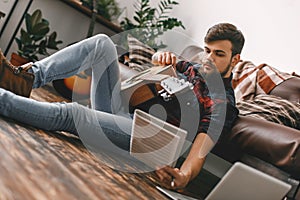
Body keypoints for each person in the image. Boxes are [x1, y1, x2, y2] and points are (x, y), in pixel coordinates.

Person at [0, 22, 244, 190]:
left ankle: (3, 100)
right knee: (101, 43)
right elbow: (159, 61)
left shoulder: (223, 102)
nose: (209, 58)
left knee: (73, 114)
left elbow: (201, 147)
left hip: (147, 140)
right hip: (125, 112)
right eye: (207, 50)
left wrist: (185, 175)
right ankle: (27, 78)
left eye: (219, 54)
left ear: (235, 59)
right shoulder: (195, 69)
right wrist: (160, 57)